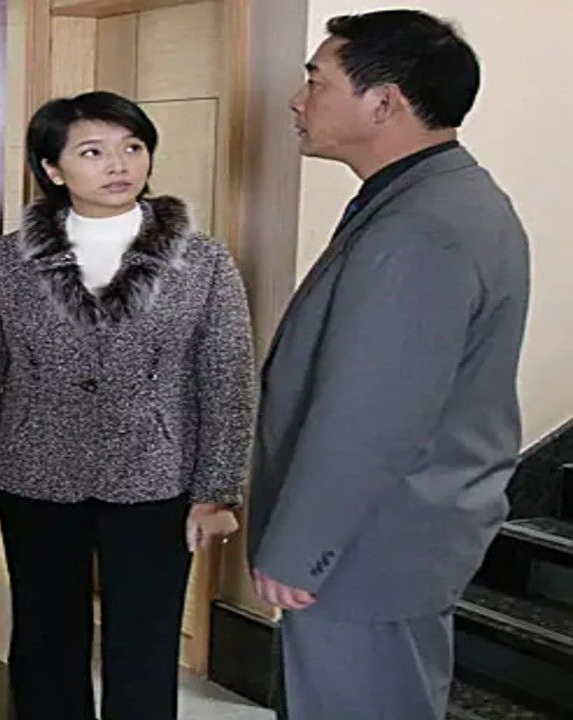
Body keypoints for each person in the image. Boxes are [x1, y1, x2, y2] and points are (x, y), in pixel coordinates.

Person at [247, 11, 530, 719]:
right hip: (386, 538)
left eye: (317, 82)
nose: (297, 101)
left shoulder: (423, 227)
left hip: (370, 547)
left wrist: (300, 549)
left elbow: (372, 414)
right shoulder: (430, 198)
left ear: (383, 102)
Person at [0, 91, 253, 719]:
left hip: (156, 475)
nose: (118, 164)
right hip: (36, 473)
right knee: (45, 639)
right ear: (52, 169)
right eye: (93, 152)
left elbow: (227, 380)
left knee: (145, 640)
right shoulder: (4, 261)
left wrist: (217, 489)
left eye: (132, 147)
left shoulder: (203, 260)